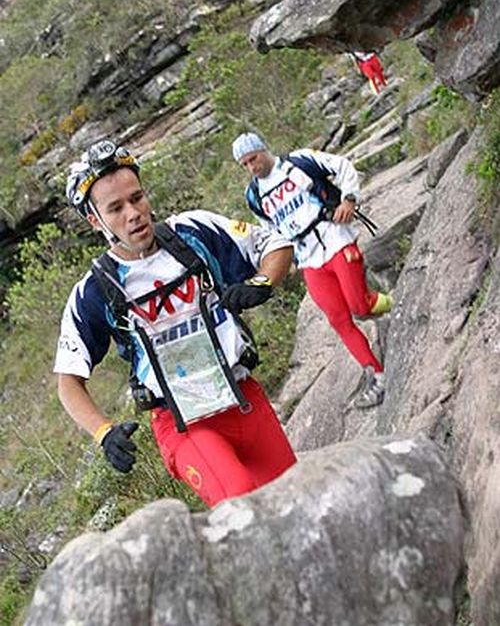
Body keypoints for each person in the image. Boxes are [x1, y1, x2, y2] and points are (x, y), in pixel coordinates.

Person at [54, 138, 297, 508]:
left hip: (245, 400)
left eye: (136, 198)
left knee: (298, 504)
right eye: (115, 208)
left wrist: (263, 282)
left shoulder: (193, 231)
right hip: (185, 425)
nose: (133, 213)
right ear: (95, 220)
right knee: (243, 506)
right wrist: (104, 432)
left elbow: (275, 244)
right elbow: (68, 383)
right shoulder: (95, 291)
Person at [232, 132, 393, 407]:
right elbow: (270, 229)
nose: (252, 167)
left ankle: (396, 303)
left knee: (360, 306)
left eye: (253, 159)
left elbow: (342, 165)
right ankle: (377, 375)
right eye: (245, 164)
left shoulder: (297, 162)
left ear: (263, 149)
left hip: (335, 239)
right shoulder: (254, 194)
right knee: (339, 319)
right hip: (307, 258)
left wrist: (349, 199)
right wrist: (284, 257)